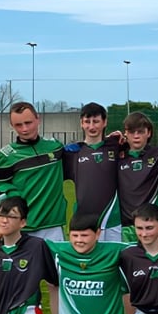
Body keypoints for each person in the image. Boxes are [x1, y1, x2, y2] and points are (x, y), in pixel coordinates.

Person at [0, 101, 66, 240]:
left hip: (54, 227)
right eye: (18, 125)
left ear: (38, 120)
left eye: (28, 122)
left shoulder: (55, 148)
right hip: (23, 229)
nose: (24, 129)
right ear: (12, 126)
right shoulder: (5, 157)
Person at [64, 102, 122, 241]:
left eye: (96, 121)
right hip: (85, 219)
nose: (92, 126)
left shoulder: (116, 146)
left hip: (112, 218)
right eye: (87, 122)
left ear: (104, 122)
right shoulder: (72, 153)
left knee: (115, 259)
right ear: (81, 123)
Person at [117, 111, 158, 242]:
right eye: (131, 132)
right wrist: (111, 139)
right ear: (125, 134)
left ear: (149, 133)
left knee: (157, 262)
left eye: (140, 132)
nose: (136, 136)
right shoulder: (117, 157)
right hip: (125, 227)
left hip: (154, 225)